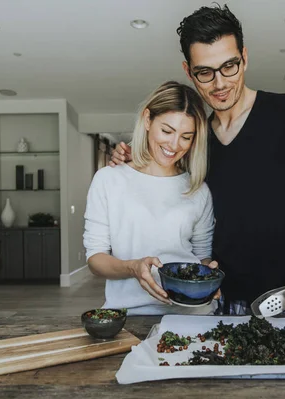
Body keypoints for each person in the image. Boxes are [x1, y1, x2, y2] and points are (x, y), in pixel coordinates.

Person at [110, 5, 285, 315]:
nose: (219, 83)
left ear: (244, 57)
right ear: (189, 71)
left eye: (229, 66)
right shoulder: (196, 139)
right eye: (205, 72)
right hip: (217, 303)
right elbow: (161, 188)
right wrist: (127, 162)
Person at [83, 81, 216, 315]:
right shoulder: (109, 180)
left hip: (191, 316)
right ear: (147, 120)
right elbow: (95, 259)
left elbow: (202, 255)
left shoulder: (198, 189)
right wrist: (133, 267)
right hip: (129, 314)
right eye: (167, 131)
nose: (174, 145)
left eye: (186, 136)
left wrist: (209, 274)